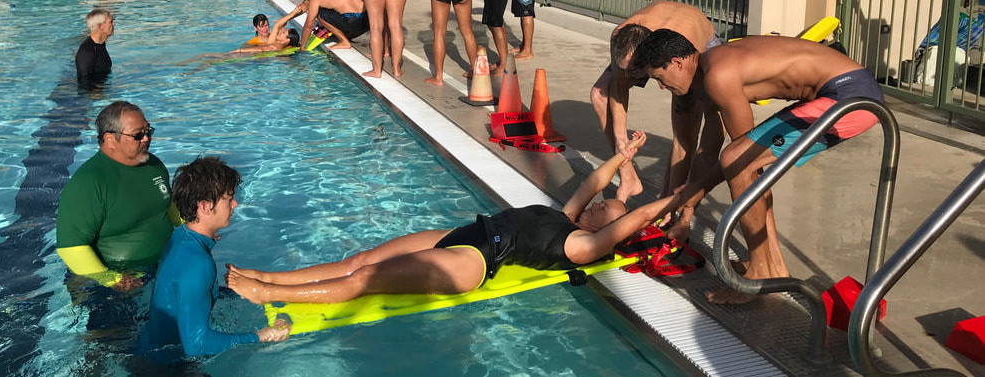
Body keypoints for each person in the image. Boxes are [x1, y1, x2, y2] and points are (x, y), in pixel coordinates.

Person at [224, 133, 675, 305]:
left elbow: (628, 225)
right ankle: (270, 275)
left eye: (606, 212)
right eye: (602, 203)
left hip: (474, 261)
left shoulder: (580, 245)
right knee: (360, 258)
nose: (598, 205)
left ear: (604, 229)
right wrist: (622, 156)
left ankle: (265, 294)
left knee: (367, 278)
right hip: (467, 233)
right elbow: (593, 182)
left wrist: (676, 199)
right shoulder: (571, 216)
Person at [632, 30, 884, 304]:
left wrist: (697, 188)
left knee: (740, 162)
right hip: (842, 91)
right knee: (749, 168)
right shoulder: (709, 70)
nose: (661, 86)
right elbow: (718, 147)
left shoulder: (718, 75)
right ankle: (772, 267)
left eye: (659, 78)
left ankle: (758, 272)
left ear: (677, 63)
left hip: (850, 97)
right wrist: (688, 207)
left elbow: (738, 158)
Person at [139, 157, 290, 356]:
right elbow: (197, 346)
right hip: (168, 368)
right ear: (205, 206)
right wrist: (262, 335)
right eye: (229, 199)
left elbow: (187, 293)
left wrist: (245, 292)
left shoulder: (180, 237)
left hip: (150, 347)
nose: (235, 204)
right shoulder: (198, 263)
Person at [590, 1, 723, 201]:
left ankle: (670, 199)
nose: (630, 77)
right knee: (599, 95)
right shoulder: (620, 35)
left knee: (685, 133)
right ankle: (629, 180)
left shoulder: (681, 55)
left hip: (696, 37)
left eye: (635, 71)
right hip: (652, 31)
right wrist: (621, 142)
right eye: (627, 70)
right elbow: (618, 86)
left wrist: (666, 205)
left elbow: (683, 143)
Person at [56, 101, 180, 291]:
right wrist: (112, 279)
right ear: (110, 139)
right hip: (115, 281)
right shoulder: (89, 183)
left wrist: (194, 229)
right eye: (138, 135)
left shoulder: (153, 165)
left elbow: (167, 207)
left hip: (161, 266)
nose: (146, 139)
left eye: (149, 131)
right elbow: (71, 247)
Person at [295, 0, 369, 50]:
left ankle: (344, 42)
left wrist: (302, 47)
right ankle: (346, 35)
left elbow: (309, 25)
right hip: (369, 19)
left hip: (355, 22)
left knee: (320, 13)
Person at [75, 9, 114, 88]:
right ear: (100, 26)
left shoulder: (100, 44)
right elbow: (83, 83)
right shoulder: (87, 52)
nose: (113, 24)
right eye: (111, 22)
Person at [235, 12, 301, 54]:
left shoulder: (275, 37)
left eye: (266, 25)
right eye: (262, 26)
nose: (265, 29)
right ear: (255, 28)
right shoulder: (252, 43)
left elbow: (280, 25)